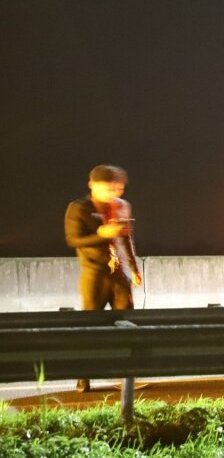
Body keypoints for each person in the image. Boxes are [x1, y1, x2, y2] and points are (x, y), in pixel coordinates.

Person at [65, 164, 142, 392]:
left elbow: (126, 239)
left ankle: (126, 379)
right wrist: (100, 234)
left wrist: (134, 268)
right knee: (90, 328)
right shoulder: (79, 208)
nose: (115, 193)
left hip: (119, 276)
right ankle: (83, 377)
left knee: (127, 324)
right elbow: (73, 239)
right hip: (94, 275)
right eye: (110, 187)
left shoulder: (122, 207)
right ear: (93, 185)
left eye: (119, 188)